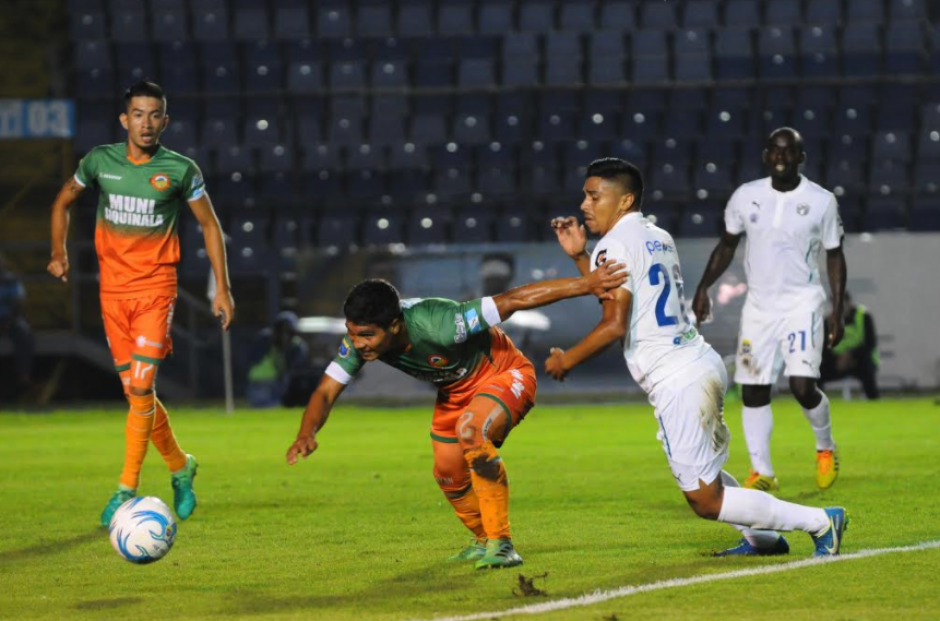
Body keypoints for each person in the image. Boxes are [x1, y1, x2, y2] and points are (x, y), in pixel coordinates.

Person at [548, 157, 847, 557]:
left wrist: (566, 361)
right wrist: (580, 258)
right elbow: (620, 293)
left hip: (678, 379)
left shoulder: (614, 244)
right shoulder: (658, 236)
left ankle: (821, 521)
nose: (585, 204)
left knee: (705, 501)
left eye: (593, 195)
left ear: (624, 201)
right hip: (695, 362)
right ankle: (762, 539)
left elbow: (614, 323)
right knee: (704, 472)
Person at [285, 265, 628, 570]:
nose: (357, 344)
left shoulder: (441, 323)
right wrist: (306, 432)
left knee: (472, 434)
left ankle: (502, 544)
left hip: (504, 375)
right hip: (454, 392)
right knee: (447, 471)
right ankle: (483, 540)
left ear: (394, 326)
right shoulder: (361, 339)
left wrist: (586, 284)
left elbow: (511, 301)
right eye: (353, 333)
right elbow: (326, 391)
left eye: (366, 335)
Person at [47, 80, 235, 526]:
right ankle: (180, 466)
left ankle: (125, 487)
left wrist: (223, 288)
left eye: (155, 115)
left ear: (165, 122)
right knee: (138, 397)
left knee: (139, 390)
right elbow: (62, 202)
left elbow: (210, 225)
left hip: (156, 289)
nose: (146, 123)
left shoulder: (180, 169)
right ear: (124, 119)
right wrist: (59, 252)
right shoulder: (99, 162)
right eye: (138, 114)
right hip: (112, 294)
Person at [691, 128, 847, 493]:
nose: (782, 157)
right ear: (766, 156)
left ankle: (825, 447)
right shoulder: (746, 197)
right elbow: (727, 245)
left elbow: (835, 255)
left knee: (802, 386)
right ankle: (763, 472)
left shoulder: (821, 201)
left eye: (790, 151)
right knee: (753, 390)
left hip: (802, 303)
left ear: (801, 158)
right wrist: (703, 286)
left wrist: (837, 310)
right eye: (776, 151)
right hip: (759, 308)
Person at [247, 310, 314, 407]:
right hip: (260, 381)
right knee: (262, 409)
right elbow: (254, 358)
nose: (284, 335)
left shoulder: (297, 346)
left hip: (281, 383)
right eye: (282, 330)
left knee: (278, 408)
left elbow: (296, 367)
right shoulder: (265, 338)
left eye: (288, 332)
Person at [820, 292, 880, 400]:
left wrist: (850, 356)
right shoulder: (827, 321)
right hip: (837, 362)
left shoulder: (863, 316)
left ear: (849, 302)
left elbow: (870, 344)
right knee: (817, 373)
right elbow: (824, 348)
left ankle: (873, 401)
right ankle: (816, 404)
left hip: (859, 360)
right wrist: (838, 360)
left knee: (867, 371)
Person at [0, 255, 35, 397]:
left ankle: (24, 376)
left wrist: (8, 322)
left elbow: (18, 302)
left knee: (25, 335)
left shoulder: (11, 280)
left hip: (11, 319)